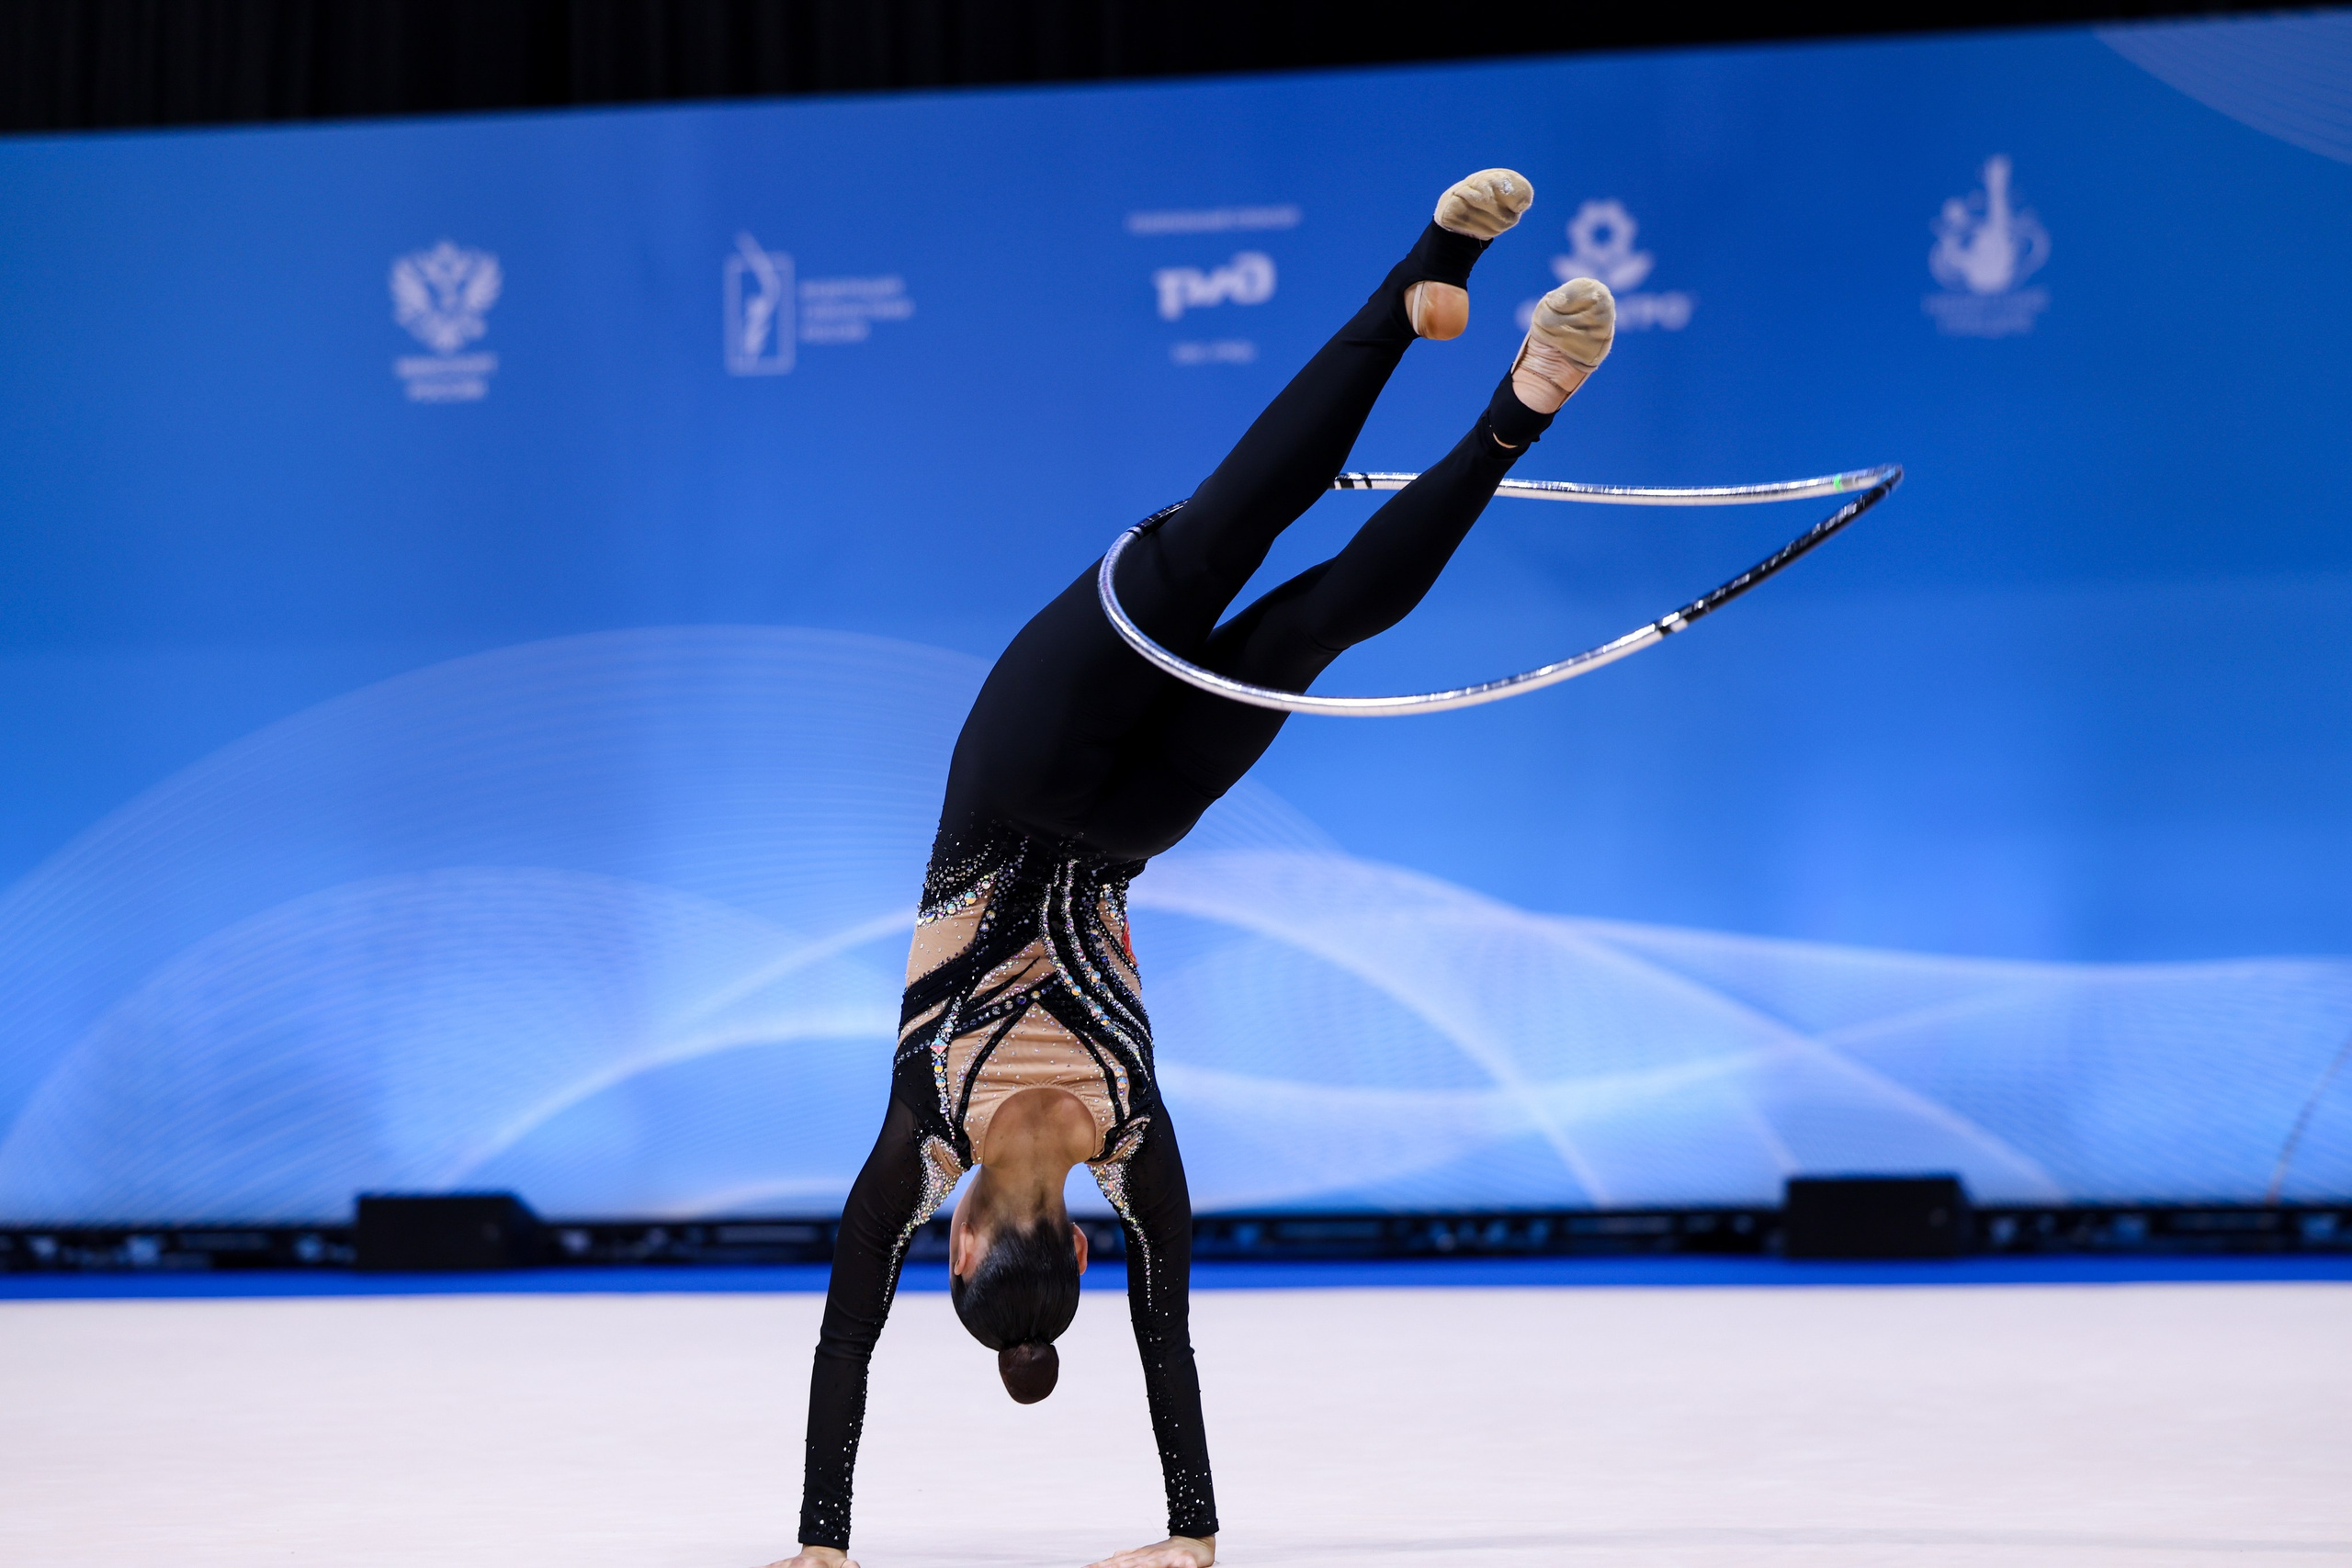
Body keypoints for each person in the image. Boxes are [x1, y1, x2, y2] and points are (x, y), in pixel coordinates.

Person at [768, 168, 1614, 1568]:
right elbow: (842, 1337)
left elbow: (1167, 1343)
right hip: (1019, 776)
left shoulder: (1137, 1150)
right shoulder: (914, 1140)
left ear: (1078, 1254)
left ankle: (1522, 405)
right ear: (961, 1250)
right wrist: (819, 1546)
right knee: (1216, 535)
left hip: (1134, 826)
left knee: (1320, 622)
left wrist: (1194, 1536)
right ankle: (1425, 274)